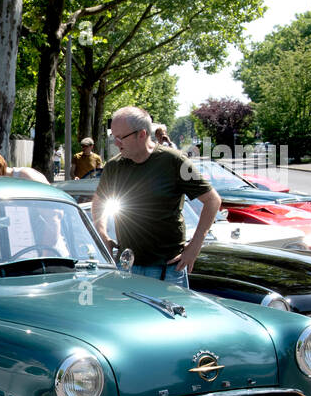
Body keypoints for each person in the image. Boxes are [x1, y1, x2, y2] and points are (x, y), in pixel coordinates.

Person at [92, 106, 221, 288]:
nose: (116, 142)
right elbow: (99, 203)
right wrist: (102, 235)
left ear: (142, 134)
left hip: (168, 269)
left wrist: (195, 247)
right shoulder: (114, 167)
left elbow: (212, 200)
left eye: (121, 137)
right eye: (114, 136)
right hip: (127, 267)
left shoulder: (175, 161)